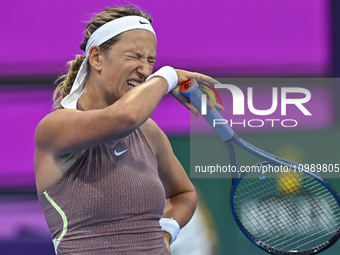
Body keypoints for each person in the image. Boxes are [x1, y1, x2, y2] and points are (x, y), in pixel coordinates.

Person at [34, 5, 222, 255]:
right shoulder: (54, 128)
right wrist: (169, 76)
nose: (145, 70)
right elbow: (125, 117)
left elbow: (184, 194)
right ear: (97, 57)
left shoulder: (148, 132)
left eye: (151, 61)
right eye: (134, 57)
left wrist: (166, 232)